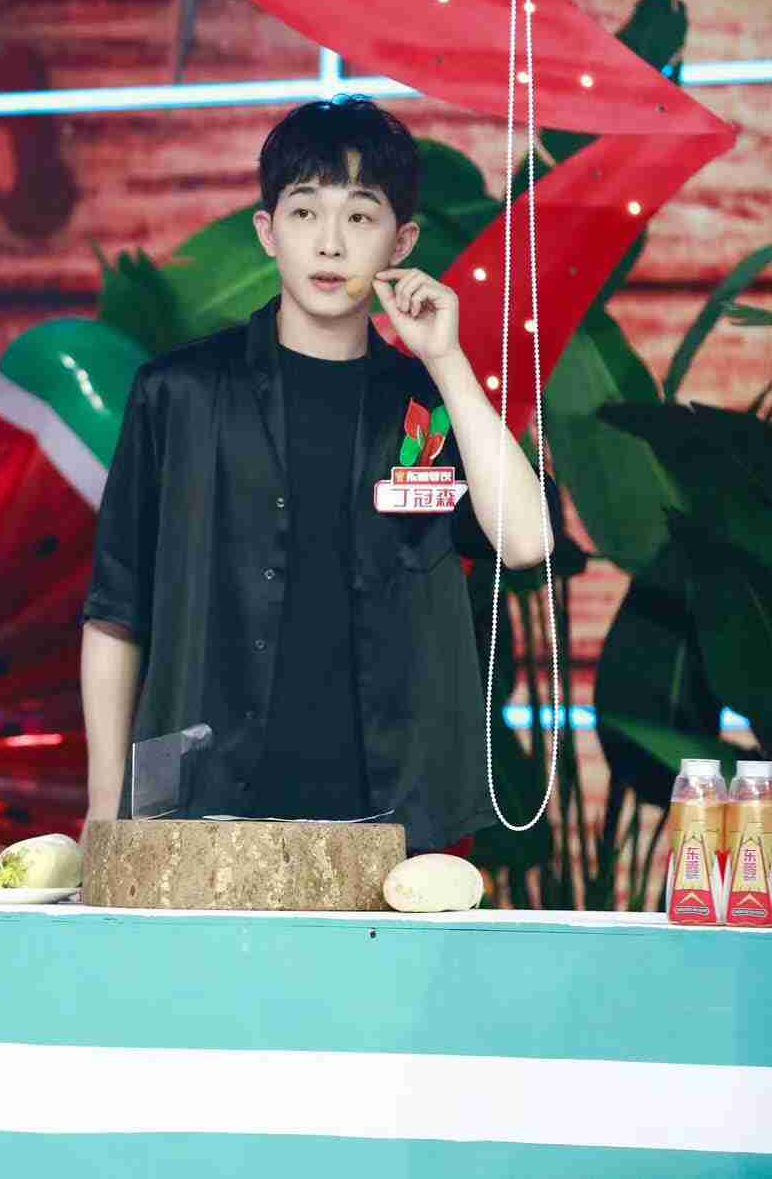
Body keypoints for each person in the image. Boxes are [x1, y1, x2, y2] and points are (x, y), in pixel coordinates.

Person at [80, 98, 562, 854]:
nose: (330, 243)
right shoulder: (179, 394)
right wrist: (104, 809)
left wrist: (446, 360)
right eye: (305, 212)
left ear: (402, 242)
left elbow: (528, 542)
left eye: (360, 217)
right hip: (202, 809)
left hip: (390, 816)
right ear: (268, 232)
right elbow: (115, 614)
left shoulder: (430, 405)